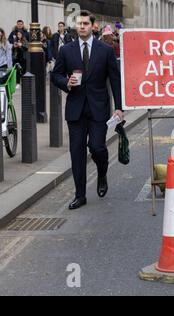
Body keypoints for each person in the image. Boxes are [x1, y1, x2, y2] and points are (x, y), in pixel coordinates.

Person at [51, 10, 123, 210]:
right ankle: (80, 195)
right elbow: (55, 75)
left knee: (97, 147)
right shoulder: (67, 50)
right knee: (77, 153)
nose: (81, 26)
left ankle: (102, 173)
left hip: (98, 108)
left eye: (85, 23)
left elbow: (115, 80)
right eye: (79, 23)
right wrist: (66, 82)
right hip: (75, 110)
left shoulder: (105, 50)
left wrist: (119, 107)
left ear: (93, 26)